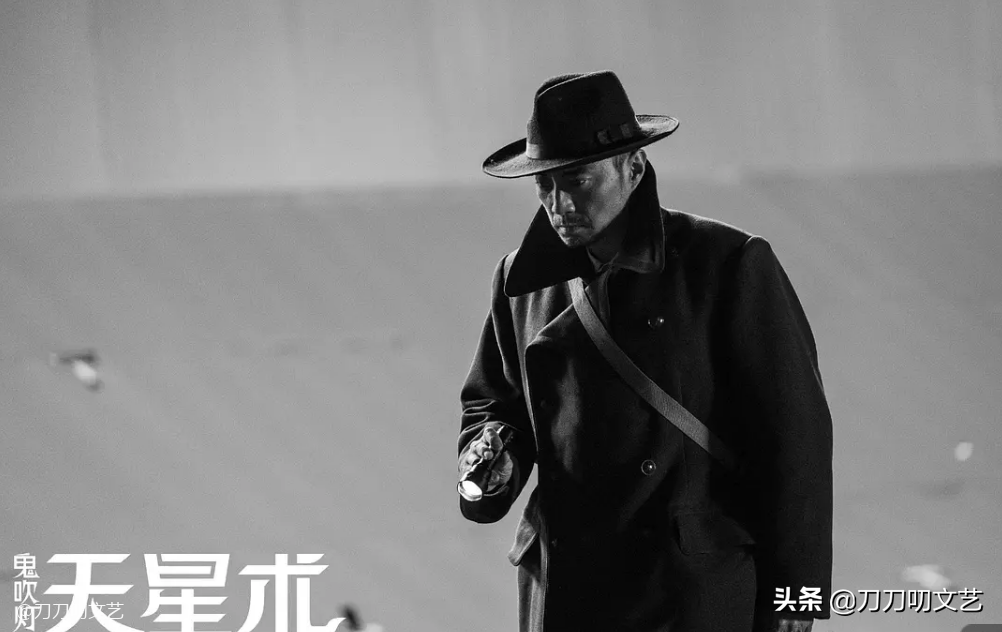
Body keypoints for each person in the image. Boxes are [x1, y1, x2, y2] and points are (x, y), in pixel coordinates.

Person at [456, 70, 833, 632]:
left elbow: (795, 439)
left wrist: (795, 602)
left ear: (632, 168)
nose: (558, 203)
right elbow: (493, 407)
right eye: (544, 184)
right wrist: (490, 458)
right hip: (566, 588)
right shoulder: (519, 282)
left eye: (577, 181)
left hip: (687, 592)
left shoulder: (726, 263)